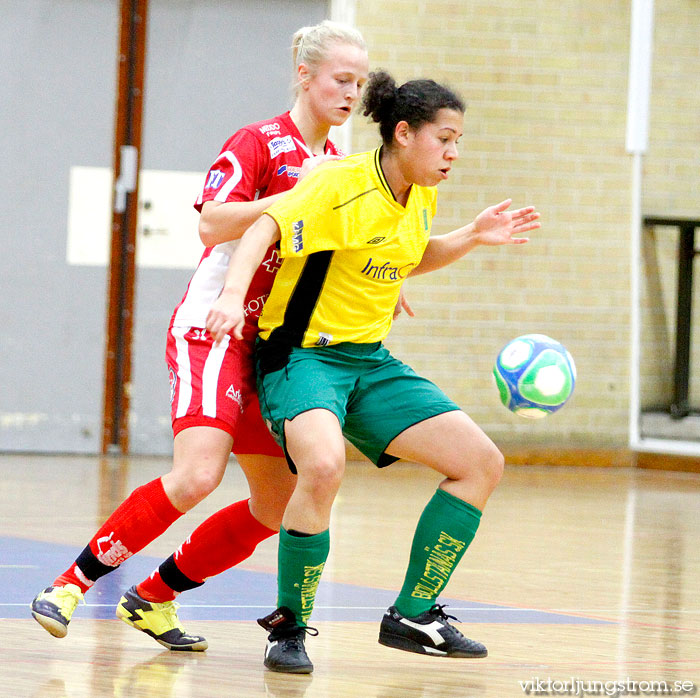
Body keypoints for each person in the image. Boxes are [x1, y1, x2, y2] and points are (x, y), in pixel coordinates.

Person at [30, 20, 370, 652]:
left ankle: (153, 598)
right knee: (197, 476)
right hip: (214, 328)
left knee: (278, 503)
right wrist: (290, 202)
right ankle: (69, 585)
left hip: (275, 350)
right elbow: (212, 223)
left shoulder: (339, 167)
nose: (352, 92)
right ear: (305, 76)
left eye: (360, 82)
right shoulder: (259, 142)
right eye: (341, 79)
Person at [205, 69, 541, 673]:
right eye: (445, 138)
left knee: (480, 464)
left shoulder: (422, 191)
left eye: (459, 140)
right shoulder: (339, 182)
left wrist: (471, 235)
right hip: (301, 356)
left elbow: (411, 255)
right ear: (404, 133)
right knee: (324, 466)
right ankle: (289, 626)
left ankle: (415, 612)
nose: (454, 153)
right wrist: (232, 296)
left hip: (369, 361)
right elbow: (263, 227)